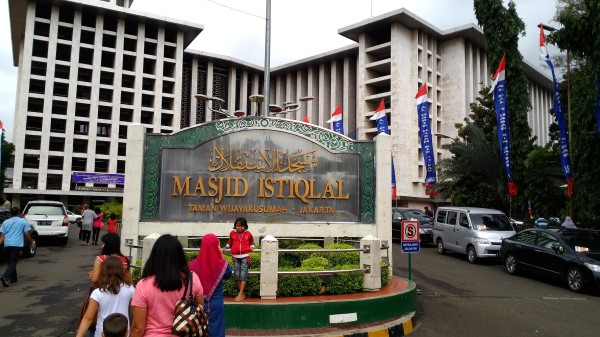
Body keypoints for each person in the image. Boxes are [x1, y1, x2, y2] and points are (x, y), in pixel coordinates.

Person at [130, 234, 204, 337]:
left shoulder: (143, 285)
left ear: (155, 256)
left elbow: (138, 328)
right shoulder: (192, 279)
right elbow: (200, 309)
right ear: (180, 256)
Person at [76, 256, 135, 337]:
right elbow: (133, 314)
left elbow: (88, 318)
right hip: (123, 331)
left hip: (103, 332)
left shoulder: (98, 293)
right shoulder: (131, 289)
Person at [189, 233, 232, 337]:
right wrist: (221, 254)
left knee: (198, 329)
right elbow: (228, 274)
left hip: (196, 304)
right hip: (216, 304)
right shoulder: (221, 264)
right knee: (217, 331)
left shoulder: (191, 265)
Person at [0, 207, 34, 286]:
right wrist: (31, 243)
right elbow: (26, 234)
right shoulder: (23, 221)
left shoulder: (5, 222)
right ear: (19, 213)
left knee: (10, 262)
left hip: (7, 244)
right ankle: (5, 277)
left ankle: (13, 279)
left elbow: (2, 235)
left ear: (11, 213)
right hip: (17, 244)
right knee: (13, 262)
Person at [224, 217, 254, 301]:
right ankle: (242, 293)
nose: (240, 227)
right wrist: (226, 247)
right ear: (235, 226)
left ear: (245, 226)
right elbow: (230, 241)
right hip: (235, 257)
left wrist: (252, 247)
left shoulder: (248, 234)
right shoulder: (232, 233)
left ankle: (240, 293)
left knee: (243, 275)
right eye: (238, 225)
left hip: (245, 256)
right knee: (237, 275)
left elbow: (251, 241)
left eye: (242, 226)